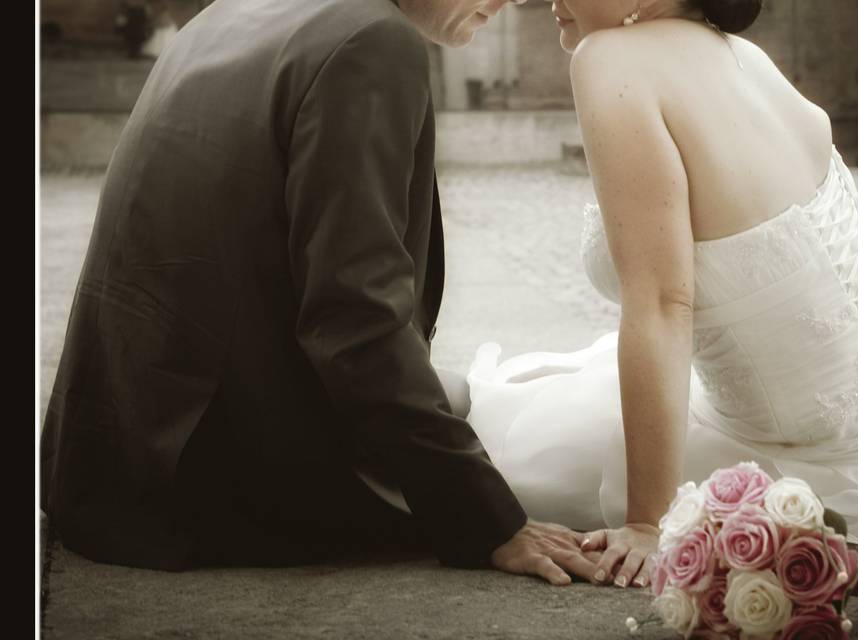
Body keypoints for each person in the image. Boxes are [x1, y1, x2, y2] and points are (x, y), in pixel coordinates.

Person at [40, 0, 601, 587]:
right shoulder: (371, 42)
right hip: (204, 484)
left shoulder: (233, 12)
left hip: (103, 461)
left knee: (470, 395)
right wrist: (489, 522)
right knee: (524, 437)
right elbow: (354, 317)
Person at [455, 0, 858, 590]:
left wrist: (647, 524)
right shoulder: (742, 56)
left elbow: (661, 304)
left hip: (805, 448)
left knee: (482, 453)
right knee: (517, 396)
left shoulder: (611, 57)